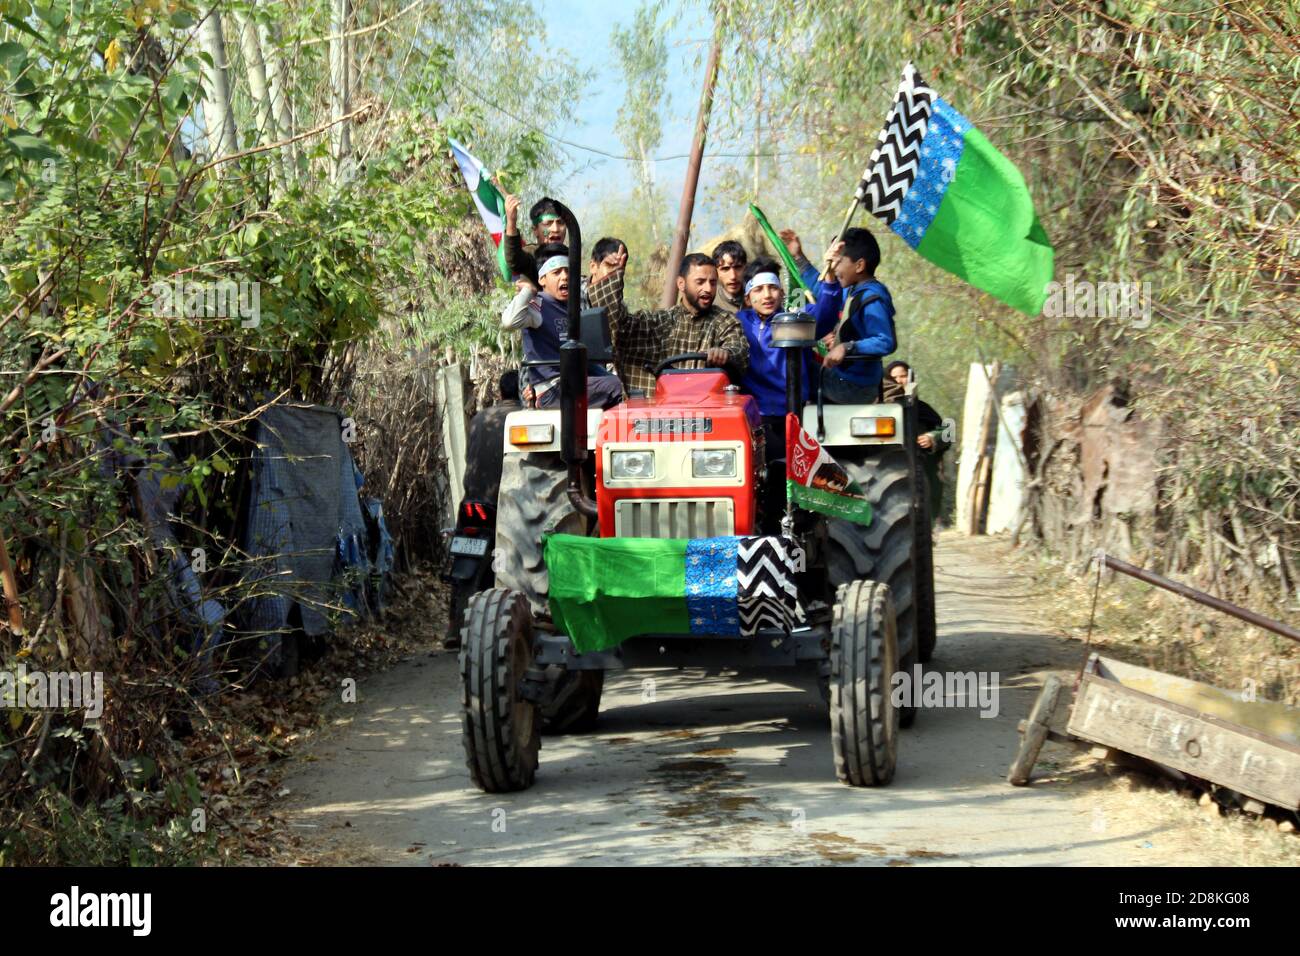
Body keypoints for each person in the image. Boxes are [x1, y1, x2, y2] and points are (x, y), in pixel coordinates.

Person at [734, 256, 842, 529]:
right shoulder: (736, 324)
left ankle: (789, 533)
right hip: (754, 419)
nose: (767, 295)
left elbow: (826, 315)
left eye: (772, 288)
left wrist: (828, 279)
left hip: (793, 416)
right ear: (748, 298)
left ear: (782, 293)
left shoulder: (796, 320)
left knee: (788, 479)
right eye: (758, 290)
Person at [588, 251, 749, 396]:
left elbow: (738, 349)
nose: (708, 288)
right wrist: (608, 281)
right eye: (700, 282)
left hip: (709, 413)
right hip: (660, 416)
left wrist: (725, 353)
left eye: (712, 283)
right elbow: (618, 325)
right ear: (681, 284)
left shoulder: (725, 321)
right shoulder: (659, 322)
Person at [500, 242, 623, 410]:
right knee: (617, 387)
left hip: (574, 381)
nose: (564, 277)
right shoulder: (538, 306)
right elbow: (508, 322)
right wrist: (527, 291)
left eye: (567, 271)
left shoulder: (573, 308)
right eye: (556, 272)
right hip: (554, 389)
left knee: (624, 384)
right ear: (542, 279)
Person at [819, 227, 896, 404]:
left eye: (838, 261)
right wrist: (800, 260)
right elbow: (825, 293)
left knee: (798, 372)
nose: (833, 267)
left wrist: (847, 347)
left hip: (854, 387)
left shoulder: (870, 299)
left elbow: (885, 341)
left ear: (859, 265)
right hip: (845, 379)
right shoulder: (853, 291)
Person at [883, 360, 951, 525]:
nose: (900, 381)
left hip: (921, 471)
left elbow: (947, 432)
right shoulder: (879, 411)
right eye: (895, 377)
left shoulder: (922, 409)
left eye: (904, 376)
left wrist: (932, 437)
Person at [502, 195, 567, 284]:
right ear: (535, 230)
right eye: (548, 223)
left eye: (560, 222)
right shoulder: (532, 254)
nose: (555, 229)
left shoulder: (570, 255)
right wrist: (511, 221)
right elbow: (514, 259)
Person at [712, 239, 748, 316]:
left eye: (738, 267)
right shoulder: (710, 303)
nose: (733, 276)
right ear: (715, 272)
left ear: (745, 268)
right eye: (725, 269)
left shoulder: (757, 294)